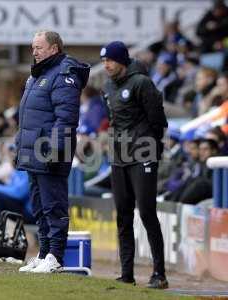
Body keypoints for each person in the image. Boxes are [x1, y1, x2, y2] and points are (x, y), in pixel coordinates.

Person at [16, 30, 89, 273]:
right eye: (32, 47)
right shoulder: (36, 75)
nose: (34, 51)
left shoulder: (64, 74)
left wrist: (55, 149)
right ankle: (44, 252)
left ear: (54, 48)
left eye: (39, 47)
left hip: (50, 151)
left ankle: (55, 256)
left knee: (53, 205)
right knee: (38, 205)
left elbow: (66, 116)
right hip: (32, 150)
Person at [100, 41, 169, 288]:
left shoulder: (141, 83)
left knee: (147, 212)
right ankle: (126, 273)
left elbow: (158, 119)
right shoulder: (107, 86)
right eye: (103, 61)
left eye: (110, 60)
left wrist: (150, 146)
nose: (106, 65)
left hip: (143, 155)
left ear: (122, 60)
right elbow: (113, 121)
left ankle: (159, 274)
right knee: (123, 215)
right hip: (119, 158)